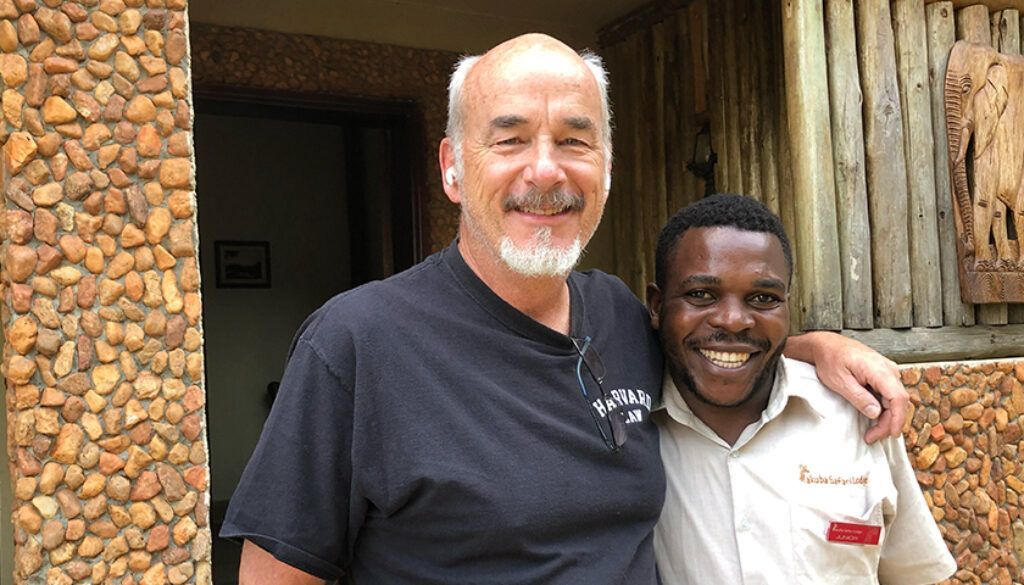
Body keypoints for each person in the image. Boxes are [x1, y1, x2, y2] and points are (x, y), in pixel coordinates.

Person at [221, 34, 909, 585]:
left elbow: (716, 338)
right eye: (511, 138)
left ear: (606, 169)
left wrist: (815, 345)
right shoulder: (357, 342)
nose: (545, 170)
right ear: (452, 168)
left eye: (574, 140)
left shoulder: (615, 311)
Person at [648, 194, 956, 585]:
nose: (733, 320)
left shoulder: (856, 414)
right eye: (701, 295)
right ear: (656, 307)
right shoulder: (629, 429)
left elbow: (914, 575)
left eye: (763, 298)